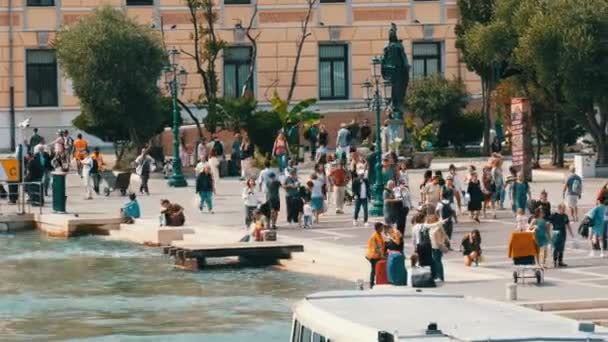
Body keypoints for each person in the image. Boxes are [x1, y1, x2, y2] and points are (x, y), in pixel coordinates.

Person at [549, 203, 574, 267]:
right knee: (556, 247)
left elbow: (568, 225)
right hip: (556, 232)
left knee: (561, 247)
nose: (564, 210)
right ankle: (554, 261)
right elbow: (548, 223)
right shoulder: (554, 215)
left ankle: (560, 261)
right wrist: (548, 231)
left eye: (564, 209)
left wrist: (571, 233)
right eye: (563, 209)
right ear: (559, 209)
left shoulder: (565, 216)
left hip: (563, 233)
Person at [428, 214, 449, 282]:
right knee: (435, 262)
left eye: (431, 219)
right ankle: (437, 275)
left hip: (438, 246)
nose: (430, 220)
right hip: (432, 246)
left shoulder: (439, 227)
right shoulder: (431, 227)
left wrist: (444, 242)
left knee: (438, 262)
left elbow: (444, 235)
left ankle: (440, 276)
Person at [366, 222, 386, 288]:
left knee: (375, 269)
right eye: (381, 227)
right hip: (373, 256)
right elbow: (377, 247)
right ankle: (371, 283)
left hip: (376, 255)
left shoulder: (379, 235)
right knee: (374, 270)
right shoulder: (375, 236)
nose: (382, 229)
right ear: (378, 228)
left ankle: (374, 282)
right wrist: (382, 255)